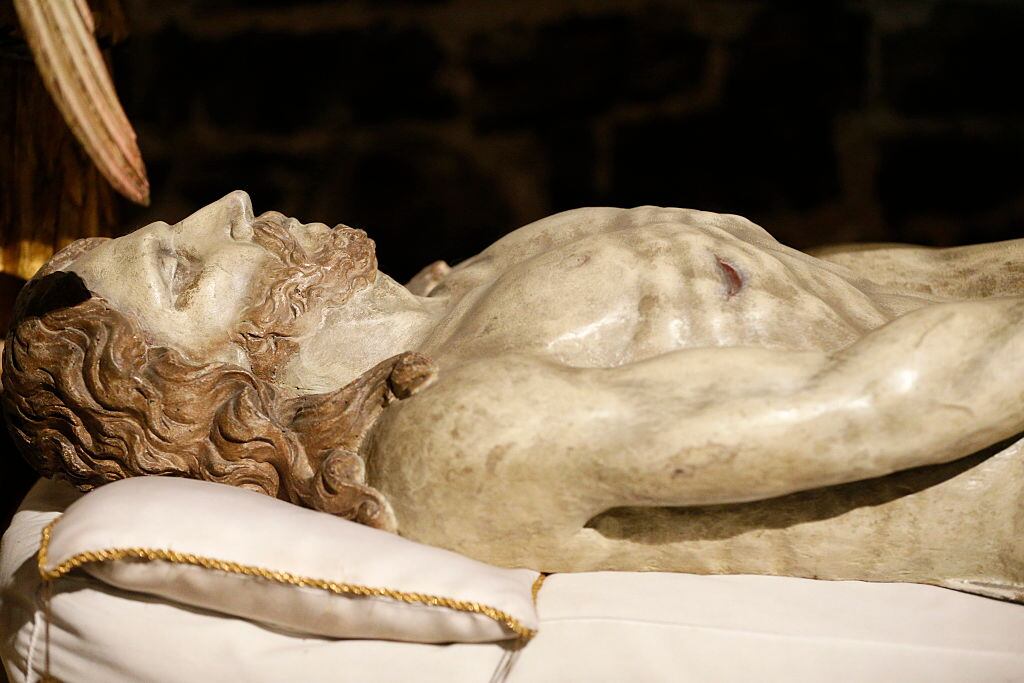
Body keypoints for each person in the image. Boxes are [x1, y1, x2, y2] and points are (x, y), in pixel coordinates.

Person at [4, 191, 1022, 600]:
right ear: (218, 387)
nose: (229, 206)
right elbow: (892, 404)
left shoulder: (458, 287)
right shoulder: (446, 437)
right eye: (189, 266)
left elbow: (878, 282)